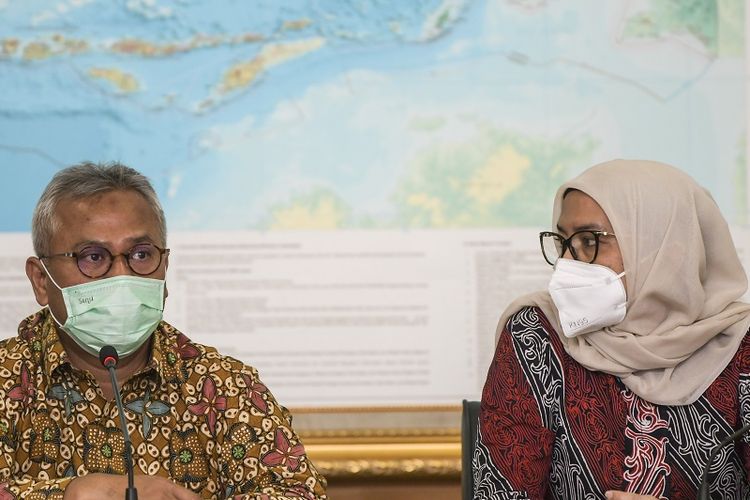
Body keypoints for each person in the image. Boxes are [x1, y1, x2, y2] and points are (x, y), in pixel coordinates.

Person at [2, 163, 328, 499]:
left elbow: (298, 492)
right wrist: (72, 494)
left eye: (141, 255)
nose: (121, 276)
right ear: (41, 280)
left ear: (165, 267)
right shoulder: (5, 381)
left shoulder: (222, 385)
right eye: (93, 257)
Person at [473, 159, 750, 499]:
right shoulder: (537, 332)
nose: (568, 264)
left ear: (666, 250)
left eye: (590, 241)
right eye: (563, 242)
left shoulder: (741, 345)